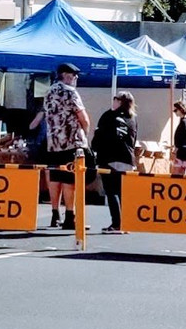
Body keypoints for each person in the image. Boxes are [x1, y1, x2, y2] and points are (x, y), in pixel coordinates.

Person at [30, 63, 90, 230]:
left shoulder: (49, 92)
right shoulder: (71, 92)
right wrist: (85, 134)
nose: (76, 78)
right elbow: (83, 118)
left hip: (52, 142)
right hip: (71, 142)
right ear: (66, 75)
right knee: (69, 180)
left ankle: (55, 214)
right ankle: (70, 216)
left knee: (55, 178)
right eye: (74, 75)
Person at [93, 92, 137, 234]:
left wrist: (95, 151)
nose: (113, 101)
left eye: (115, 98)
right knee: (124, 192)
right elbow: (134, 139)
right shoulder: (132, 118)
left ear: (119, 101)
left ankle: (117, 223)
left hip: (110, 157)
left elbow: (98, 137)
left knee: (112, 191)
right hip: (128, 158)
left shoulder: (108, 116)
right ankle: (127, 223)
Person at [172, 101, 186, 175]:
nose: (174, 112)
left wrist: (176, 148)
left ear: (181, 109)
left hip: (182, 151)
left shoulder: (184, 122)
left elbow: (182, 138)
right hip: (185, 151)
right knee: (181, 172)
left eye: (175, 110)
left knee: (177, 172)